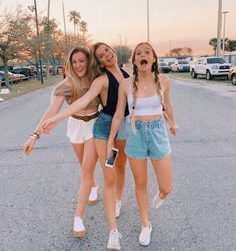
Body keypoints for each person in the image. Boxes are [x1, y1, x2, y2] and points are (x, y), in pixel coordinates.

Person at [41, 42, 130, 250]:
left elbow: (133, 104)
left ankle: (117, 199)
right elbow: (82, 102)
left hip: (123, 125)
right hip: (102, 127)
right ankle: (112, 231)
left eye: (107, 50)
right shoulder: (100, 80)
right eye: (100, 55)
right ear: (98, 61)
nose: (106, 55)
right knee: (103, 174)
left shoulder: (127, 75)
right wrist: (57, 118)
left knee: (120, 168)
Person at [106, 42, 179, 246]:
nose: (143, 55)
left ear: (154, 58)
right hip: (136, 134)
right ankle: (145, 224)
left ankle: (162, 194)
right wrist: (110, 140)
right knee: (140, 184)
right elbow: (119, 114)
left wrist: (172, 123)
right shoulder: (126, 84)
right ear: (135, 61)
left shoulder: (163, 80)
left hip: (158, 133)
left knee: (167, 186)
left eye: (147, 52)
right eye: (138, 53)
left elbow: (168, 105)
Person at [23, 46, 100, 238]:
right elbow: (52, 111)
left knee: (86, 171)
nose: (78, 65)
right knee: (84, 166)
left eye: (82, 60)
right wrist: (34, 135)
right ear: (69, 64)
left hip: (95, 126)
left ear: (88, 61)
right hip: (75, 127)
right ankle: (93, 184)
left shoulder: (96, 79)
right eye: (74, 62)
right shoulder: (66, 85)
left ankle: (78, 218)